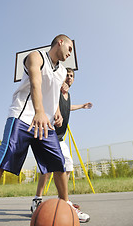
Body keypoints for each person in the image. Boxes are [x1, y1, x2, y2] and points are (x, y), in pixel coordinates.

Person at [0, 34, 75, 225]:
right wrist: (39, 111)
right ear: (60, 42)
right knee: (1, 162)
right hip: (23, 118)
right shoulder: (36, 56)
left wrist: (56, 112)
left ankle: (66, 205)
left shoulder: (62, 71)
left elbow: (54, 93)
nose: (70, 53)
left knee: (59, 164)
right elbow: (35, 83)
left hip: (44, 124)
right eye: (70, 48)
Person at [31, 68, 92, 223]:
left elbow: (68, 107)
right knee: (47, 170)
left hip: (60, 137)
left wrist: (83, 106)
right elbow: (48, 97)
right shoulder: (56, 89)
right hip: (49, 133)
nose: (69, 77)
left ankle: (63, 199)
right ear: (62, 77)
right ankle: (37, 200)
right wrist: (58, 86)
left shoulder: (68, 95)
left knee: (68, 165)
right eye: (67, 75)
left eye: (72, 76)